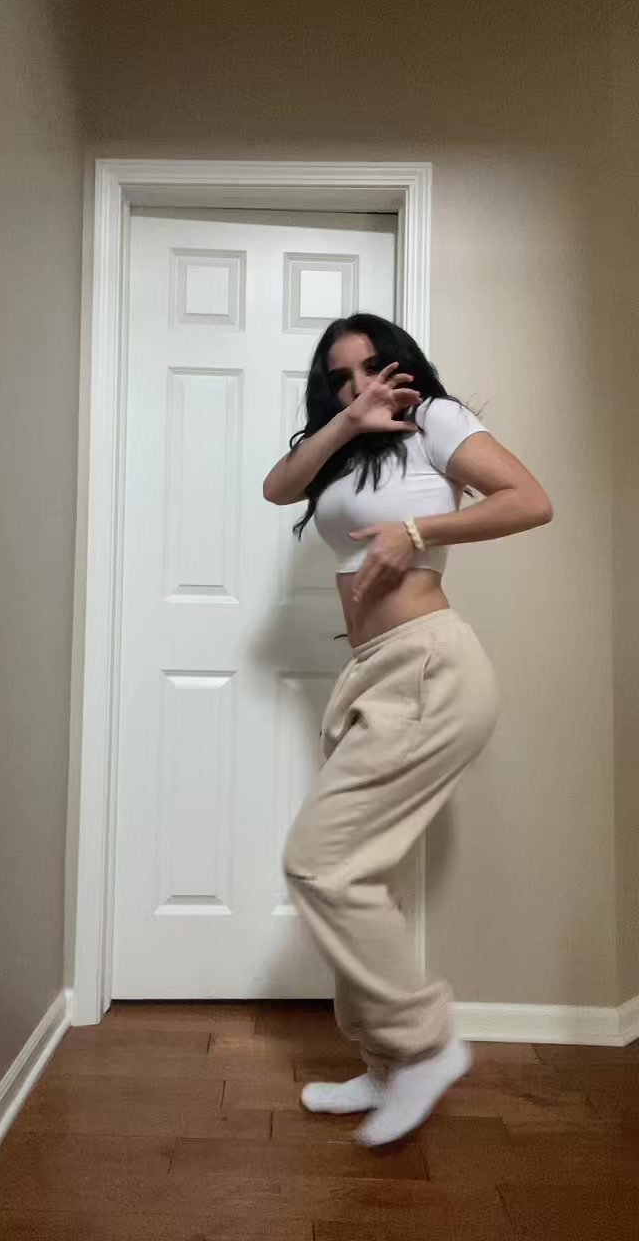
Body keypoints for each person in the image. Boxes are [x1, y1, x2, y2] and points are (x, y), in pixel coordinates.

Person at [263, 313, 553, 1146]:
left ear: (403, 365)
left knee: (320, 864)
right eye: (339, 378)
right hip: (371, 674)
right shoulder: (346, 445)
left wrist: (419, 532)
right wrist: (347, 422)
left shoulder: (436, 421)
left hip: (427, 667)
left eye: (370, 368)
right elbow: (279, 487)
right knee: (360, 877)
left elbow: (530, 501)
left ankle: (425, 1046)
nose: (357, 385)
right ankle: (386, 1064)